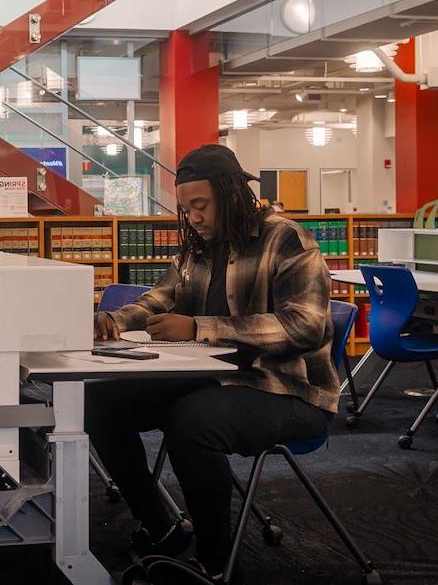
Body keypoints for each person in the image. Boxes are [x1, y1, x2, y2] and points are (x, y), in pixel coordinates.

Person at [87, 144, 337, 583]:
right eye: (187, 209)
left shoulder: (287, 239)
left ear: (233, 195)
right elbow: (158, 299)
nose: (194, 218)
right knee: (98, 403)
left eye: (201, 206)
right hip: (211, 377)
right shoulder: (197, 249)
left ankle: (216, 564)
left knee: (192, 421)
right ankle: (162, 525)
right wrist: (112, 320)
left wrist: (203, 327)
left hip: (285, 389)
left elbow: (305, 327)